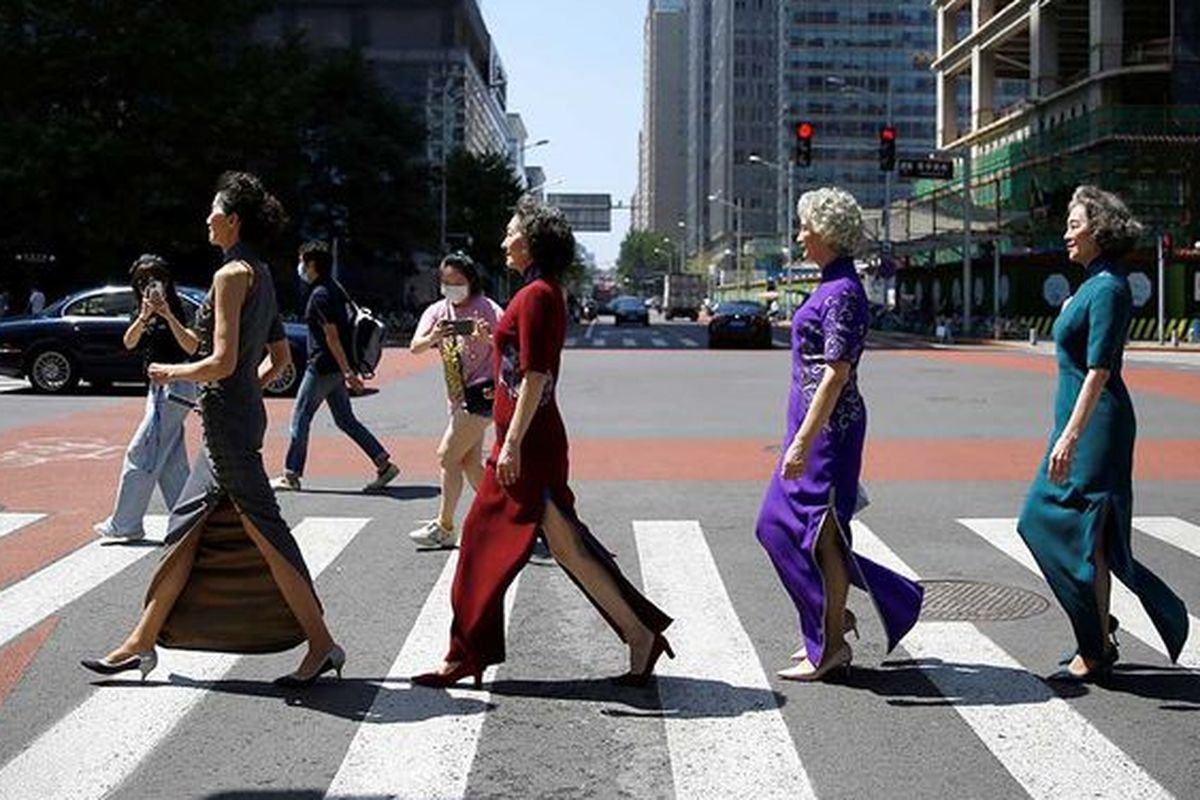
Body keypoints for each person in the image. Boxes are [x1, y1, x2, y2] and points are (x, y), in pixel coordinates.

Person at [82, 172, 344, 686]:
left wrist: (172, 373)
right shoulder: (260, 273)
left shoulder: (230, 277)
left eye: (213, 211)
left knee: (268, 535)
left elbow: (220, 362)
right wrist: (245, 389)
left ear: (232, 220)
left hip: (226, 428)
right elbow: (279, 360)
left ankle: (322, 643)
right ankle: (141, 641)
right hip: (236, 419)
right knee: (183, 532)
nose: (206, 219)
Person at [413, 197, 673, 688]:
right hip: (534, 439)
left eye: (511, 231)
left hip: (526, 447)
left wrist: (508, 444)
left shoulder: (536, 295)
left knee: (479, 547)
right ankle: (641, 635)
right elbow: (522, 368)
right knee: (569, 548)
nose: (504, 240)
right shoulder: (541, 292)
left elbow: (536, 373)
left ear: (530, 240)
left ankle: (464, 654)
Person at [1017, 185, 1189, 682]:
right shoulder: (1092, 284)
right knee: (1055, 527)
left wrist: (1069, 436)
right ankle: (1096, 629)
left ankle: (1094, 645)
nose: (1066, 234)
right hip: (1076, 421)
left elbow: (1100, 371)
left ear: (1100, 231)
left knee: (1081, 532)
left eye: (1074, 225)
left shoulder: (1110, 287)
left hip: (1095, 426)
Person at [755, 187, 923, 682]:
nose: (800, 235)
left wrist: (803, 443)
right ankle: (828, 622)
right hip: (810, 426)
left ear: (827, 233)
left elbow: (835, 373)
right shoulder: (830, 284)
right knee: (778, 527)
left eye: (806, 226)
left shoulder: (845, 291)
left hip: (829, 434)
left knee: (821, 537)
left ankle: (828, 643)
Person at [270, 241, 398, 493]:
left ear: (312, 264)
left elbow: (332, 336)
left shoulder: (320, 295)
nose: (301, 267)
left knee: (300, 418)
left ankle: (291, 474)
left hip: (321, 366)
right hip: (334, 368)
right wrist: (346, 369)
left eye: (303, 262)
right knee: (345, 420)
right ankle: (383, 463)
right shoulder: (334, 289)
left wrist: (348, 372)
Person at [93, 255, 199, 540]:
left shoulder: (181, 306)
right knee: (171, 462)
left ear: (166, 280)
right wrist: (144, 316)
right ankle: (190, 520)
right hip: (157, 390)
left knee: (141, 452)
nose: (147, 285)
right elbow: (129, 342)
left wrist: (167, 314)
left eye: (153, 279)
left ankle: (125, 523)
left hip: (176, 387)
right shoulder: (141, 308)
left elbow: (192, 345)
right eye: (141, 281)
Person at [407, 253, 502, 549]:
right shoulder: (438, 311)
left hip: (483, 394)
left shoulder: (487, 308)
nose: (451, 288)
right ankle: (506, 515)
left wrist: (488, 339)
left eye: (458, 282)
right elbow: (415, 347)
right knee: (469, 462)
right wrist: (435, 335)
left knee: (447, 455)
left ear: (470, 281)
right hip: (457, 396)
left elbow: (510, 345)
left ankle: (445, 526)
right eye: (446, 282)